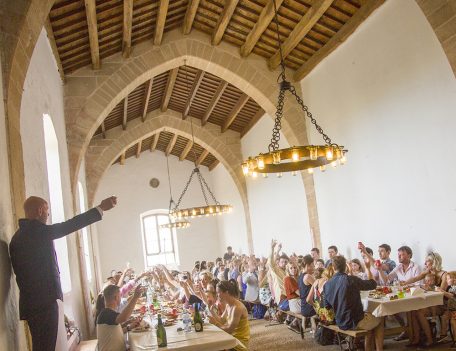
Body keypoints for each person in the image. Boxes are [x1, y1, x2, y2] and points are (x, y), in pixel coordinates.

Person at [9, 195, 117, 351]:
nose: (48, 215)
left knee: (41, 345)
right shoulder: (36, 232)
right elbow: (69, 225)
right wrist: (100, 209)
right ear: (40, 210)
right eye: (47, 211)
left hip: (32, 303)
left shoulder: (17, 237)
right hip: (44, 303)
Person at [324, 256, 383, 351]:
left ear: (333, 268)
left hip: (340, 321)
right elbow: (372, 284)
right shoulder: (351, 279)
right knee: (380, 318)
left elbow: (327, 306)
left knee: (370, 322)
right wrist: (367, 268)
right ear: (346, 267)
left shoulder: (327, 284)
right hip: (355, 322)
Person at [97, 284, 143, 351]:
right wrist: (135, 297)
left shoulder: (107, 312)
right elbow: (124, 317)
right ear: (116, 297)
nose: (121, 298)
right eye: (120, 296)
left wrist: (129, 326)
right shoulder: (106, 313)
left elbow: (115, 331)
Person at [209, 280, 250, 351]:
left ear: (226, 292)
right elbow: (222, 320)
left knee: (213, 347)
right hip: (231, 338)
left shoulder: (237, 308)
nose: (217, 295)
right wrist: (212, 312)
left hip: (238, 343)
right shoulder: (228, 305)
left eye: (218, 293)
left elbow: (229, 330)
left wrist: (215, 323)